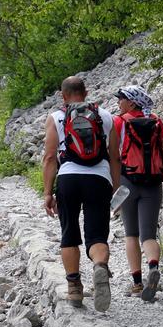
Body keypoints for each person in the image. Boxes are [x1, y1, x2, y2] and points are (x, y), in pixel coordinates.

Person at [43, 76, 121, 311]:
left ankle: (74, 287)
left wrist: (48, 192)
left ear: (63, 95)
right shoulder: (106, 117)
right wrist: (116, 189)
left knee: (69, 233)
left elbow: (49, 158)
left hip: (68, 178)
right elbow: (115, 157)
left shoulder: (56, 117)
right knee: (97, 234)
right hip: (99, 179)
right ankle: (99, 265)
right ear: (86, 92)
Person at [113, 85, 163, 303]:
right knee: (148, 235)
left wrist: (114, 182)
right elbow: (162, 150)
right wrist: (162, 174)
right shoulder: (155, 120)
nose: (119, 103)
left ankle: (137, 283)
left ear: (132, 102)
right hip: (152, 182)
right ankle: (153, 266)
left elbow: (114, 154)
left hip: (128, 181)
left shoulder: (120, 122)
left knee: (130, 234)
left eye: (122, 99)